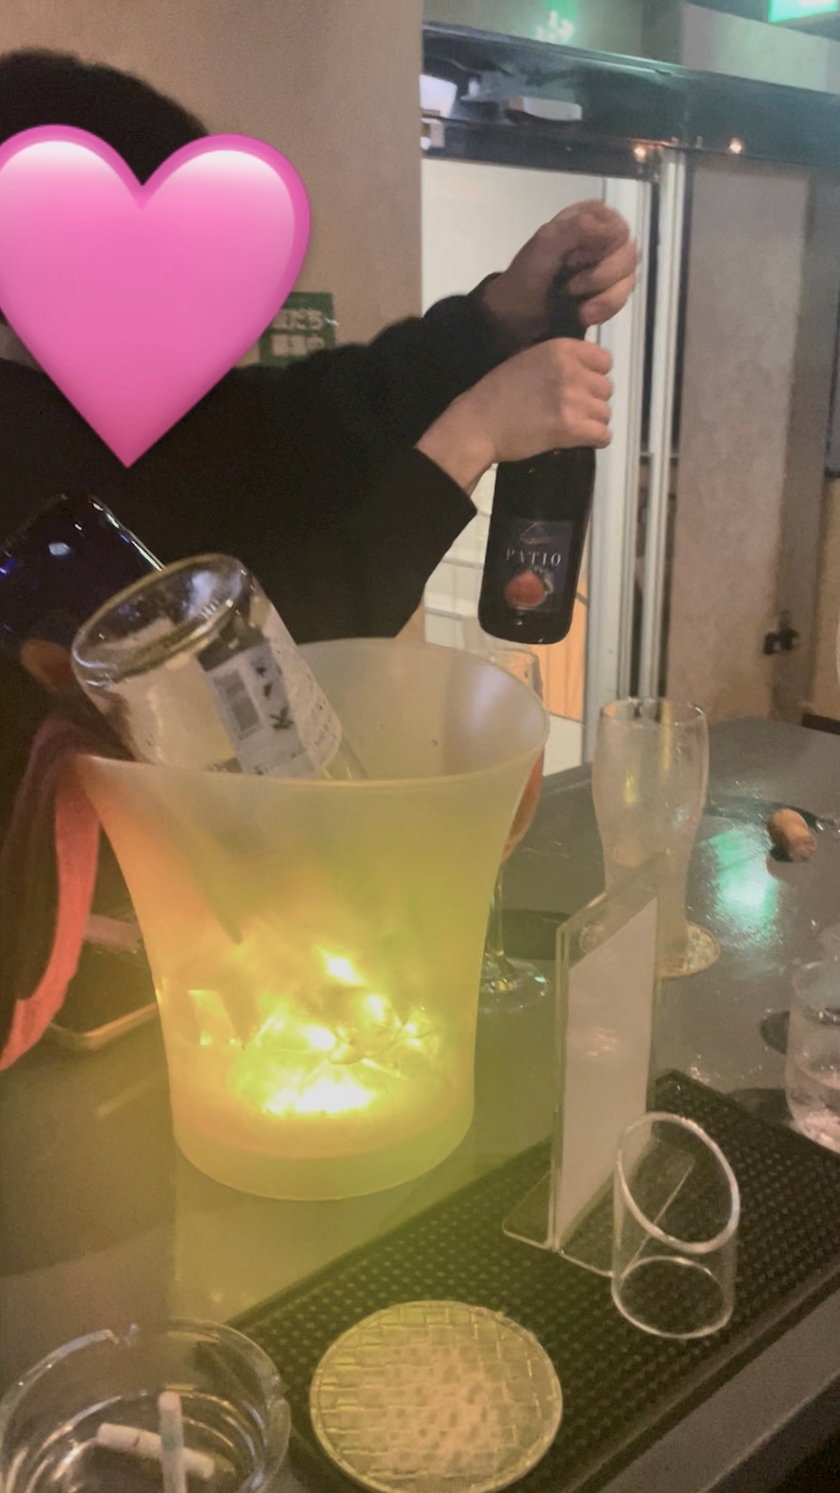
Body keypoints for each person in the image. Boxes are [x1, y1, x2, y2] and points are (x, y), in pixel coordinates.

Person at [0, 48, 635, 831]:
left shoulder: (135, 405)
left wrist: (496, 316)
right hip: (107, 893)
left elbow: (311, 416)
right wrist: (469, 437)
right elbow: (244, 687)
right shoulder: (30, 478)